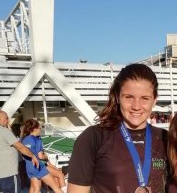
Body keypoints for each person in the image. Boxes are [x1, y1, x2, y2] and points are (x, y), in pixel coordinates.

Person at [68, 63, 169, 193]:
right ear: (118, 97)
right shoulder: (93, 138)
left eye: (145, 98)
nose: (136, 106)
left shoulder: (166, 139)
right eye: (129, 97)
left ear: (154, 100)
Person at [0, 109, 39, 193]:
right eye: (7, 118)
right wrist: (32, 156)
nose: (8, 121)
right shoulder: (3, 131)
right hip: (8, 175)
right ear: (1, 118)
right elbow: (20, 147)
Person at [21, 118, 65, 193]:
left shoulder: (23, 140)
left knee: (35, 189)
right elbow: (40, 157)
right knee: (56, 187)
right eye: (40, 128)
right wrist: (46, 156)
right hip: (38, 167)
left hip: (29, 167)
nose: (40, 130)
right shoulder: (37, 140)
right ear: (34, 129)